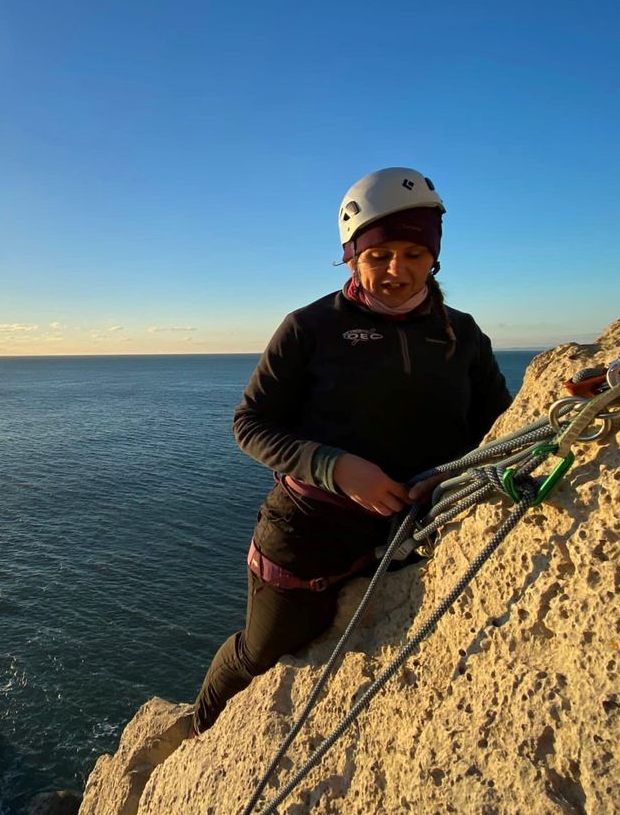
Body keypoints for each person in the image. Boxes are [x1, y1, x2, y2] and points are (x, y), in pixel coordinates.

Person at [192, 167, 513, 735]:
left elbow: (500, 425)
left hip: (415, 529)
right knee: (261, 651)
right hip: (310, 533)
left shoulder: (461, 334)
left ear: (434, 256)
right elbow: (251, 423)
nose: (398, 270)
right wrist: (336, 467)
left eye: (415, 254)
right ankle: (201, 728)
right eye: (379, 254)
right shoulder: (310, 328)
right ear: (350, 257)